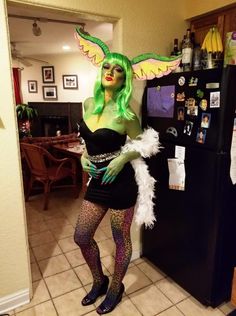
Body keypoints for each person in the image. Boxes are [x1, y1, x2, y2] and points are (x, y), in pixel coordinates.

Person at [73, 27, 180, 314]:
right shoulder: (87, 104)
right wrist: (84, 155)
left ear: (125, 78)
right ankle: (99, 280)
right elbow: (88, 138)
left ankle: (115, 287)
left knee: (121, 239)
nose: (110, 71)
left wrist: (121, 160)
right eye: (106, 66)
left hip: (121, 185)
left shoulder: (127, 113)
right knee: (82, 236)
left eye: (117, 69)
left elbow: (145, 143)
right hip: (96, 182)